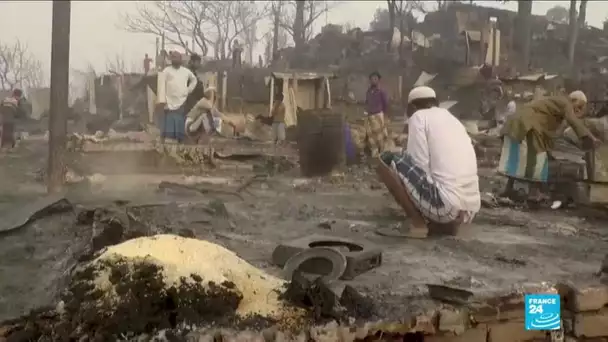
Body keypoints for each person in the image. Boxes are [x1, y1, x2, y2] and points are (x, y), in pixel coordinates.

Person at [376, 86, 480, 239]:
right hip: (469, 210)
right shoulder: (452, 119)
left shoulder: (418, 117)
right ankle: (444, 225)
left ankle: (418, 225)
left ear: (412, 107)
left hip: (446, 206)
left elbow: (418, 164)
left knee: (385, 159)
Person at [498, 91, 600, 201]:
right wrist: (591, 138)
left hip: (517, 121)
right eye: (578, 106)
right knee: (538, 160)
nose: (577, 110)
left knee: (516, 159)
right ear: (573, 100)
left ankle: (509, 188)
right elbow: (574, 122)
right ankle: (534, 194)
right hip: (528, 124)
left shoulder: (554, 102)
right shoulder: (565, 103)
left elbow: (551, 132)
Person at [158, 50, 197, 143]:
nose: (175, 59)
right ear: (171, 60)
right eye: (173, 58)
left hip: (182, 100)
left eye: (177, 57)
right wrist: (162, 101)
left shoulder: (186, 71)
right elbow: (161, 86)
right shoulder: (166, 71)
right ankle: (168, 142)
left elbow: (194, 80)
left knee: (180, 119)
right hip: (169, 101)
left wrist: (188, 90)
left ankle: (180, 140)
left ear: (181, 59)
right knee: (169, 121)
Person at [365, 71, 389, 157]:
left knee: (380, 136)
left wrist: (385, 117)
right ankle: (374, 155)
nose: (373, 80)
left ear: (379, 80)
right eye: (372, 79)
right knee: (371, 136)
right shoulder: (368, 91)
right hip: (370, 116)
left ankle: (382, 154)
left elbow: (386, 104)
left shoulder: (381, 91)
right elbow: (367, 102)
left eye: (375, 78)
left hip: (378, 116)